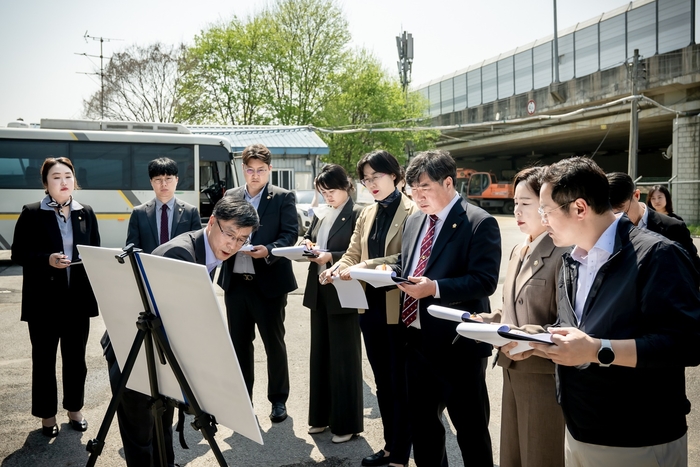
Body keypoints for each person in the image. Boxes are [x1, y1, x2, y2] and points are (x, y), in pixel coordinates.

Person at [529, 157, 700, 466]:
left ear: (580, 208)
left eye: (546, 211)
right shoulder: (570, 260)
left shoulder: (658, 255)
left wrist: (597, 350)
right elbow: (578, 328)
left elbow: (686, 344)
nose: (543, 221)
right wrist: (535, 338)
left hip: (638, 440)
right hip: (579, 430)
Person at [106, 197, 259, 467]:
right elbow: (175, 323)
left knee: (161, 421)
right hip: (133, 347)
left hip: (159, 347)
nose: (233, 245)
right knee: (141, 432)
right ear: (212, 222)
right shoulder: (181, 255)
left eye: (242, 239)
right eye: (230, 234)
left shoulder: (207, 249)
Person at [394, 149, 501, 467]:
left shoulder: (478, 222)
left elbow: (484, 281)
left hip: (458, 347)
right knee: (424, 430)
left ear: (449, 183)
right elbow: (406, 263)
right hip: (416, 343)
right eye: (412, 189)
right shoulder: (414, 220)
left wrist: (435, 288)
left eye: (424, 187)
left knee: (470, 432)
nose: (418, 195)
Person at [321, 150, 417, 467]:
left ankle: (401, 453)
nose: (371, 183)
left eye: (377, 176)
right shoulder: (367, 213)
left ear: (395, 175)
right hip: (369, 307)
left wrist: (367, 264)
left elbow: (406, 258)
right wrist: (335, 269)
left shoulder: (413, 211)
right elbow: (351, 253)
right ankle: (391, 448)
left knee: (400, 383)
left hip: (399, 307)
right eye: (366, 178)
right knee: (382, 383)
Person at [11, 157, 100, 437]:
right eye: (56, 177)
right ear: (46, 184)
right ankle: (47, 416)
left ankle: (75, 409)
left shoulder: (85, 211)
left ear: (75, 180)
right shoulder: (32, 212)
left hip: (77, 302)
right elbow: (18, 254)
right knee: (44, 360)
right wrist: (46, 259)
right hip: (44, 304)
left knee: (76, 361)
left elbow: (94, 250)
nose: (63, 182)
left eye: (68, 176)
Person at [487, 167, 567, 467]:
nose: (516, 210)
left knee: (540, 454)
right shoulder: (520, 249)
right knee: (513, 453)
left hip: (542, 374)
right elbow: (513, 307)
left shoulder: (563, 252)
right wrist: (490, 320)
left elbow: (570, 320)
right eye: (515, 202)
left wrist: (525, 336)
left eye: (525, 203)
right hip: (512, 367)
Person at [218, 143, 298, 423]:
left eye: (260, 170)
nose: (255, 175)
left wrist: (270, 250)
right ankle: (243, 401)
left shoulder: (283, 197)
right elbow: (218, 231)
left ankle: (278, 400)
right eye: (250, 170)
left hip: (269, 282)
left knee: (273, 343)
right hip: (236, 283)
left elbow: (290, 234)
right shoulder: (230, 196)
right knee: (239, 345)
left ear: (269, 170)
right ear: (243, 170)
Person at [301, 164, 364, 443]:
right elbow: (315, 241)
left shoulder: (358, 213)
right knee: (320, 356)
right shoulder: (322, 212)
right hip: (320, 289)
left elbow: (359, 252)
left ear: (347, 186)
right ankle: (320, 418)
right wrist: (307, 243)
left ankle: (346, 423)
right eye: (323, 191)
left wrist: (330, 257)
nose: (328, 196)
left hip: (344, 290)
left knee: (344, 359)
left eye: (333, 190)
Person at [607, 172, 700, 282]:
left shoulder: (673, 228)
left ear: (636, 195)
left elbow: (693, 270)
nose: (618, 219)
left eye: (623, 212)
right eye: (612, 215)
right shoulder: (607, 228)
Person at [126, 157, 202, 253]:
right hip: (148, 267)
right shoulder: (139, 213)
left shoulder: (190, 212)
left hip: (180, 266)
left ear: (177, 180)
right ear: (151, 182)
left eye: (168, 179)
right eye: (158, 179)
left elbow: (198, 248)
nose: (164, 184)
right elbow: (132, 248)